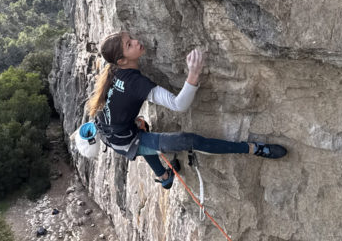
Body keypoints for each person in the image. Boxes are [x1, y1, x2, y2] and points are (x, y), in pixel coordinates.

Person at [87, 31, 287, 189]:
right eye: (129, 44)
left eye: (130, 38)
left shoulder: (115, 70)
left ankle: (164, 178)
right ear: (121, 60)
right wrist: (194, 73)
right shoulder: (135, 83)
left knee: (143, 132)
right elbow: (179, 105)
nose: (137, 41)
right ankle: (254, 148)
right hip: (124, 140)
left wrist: (129, 121)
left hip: (114, 128)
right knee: (189, 140)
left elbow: (116, 102)